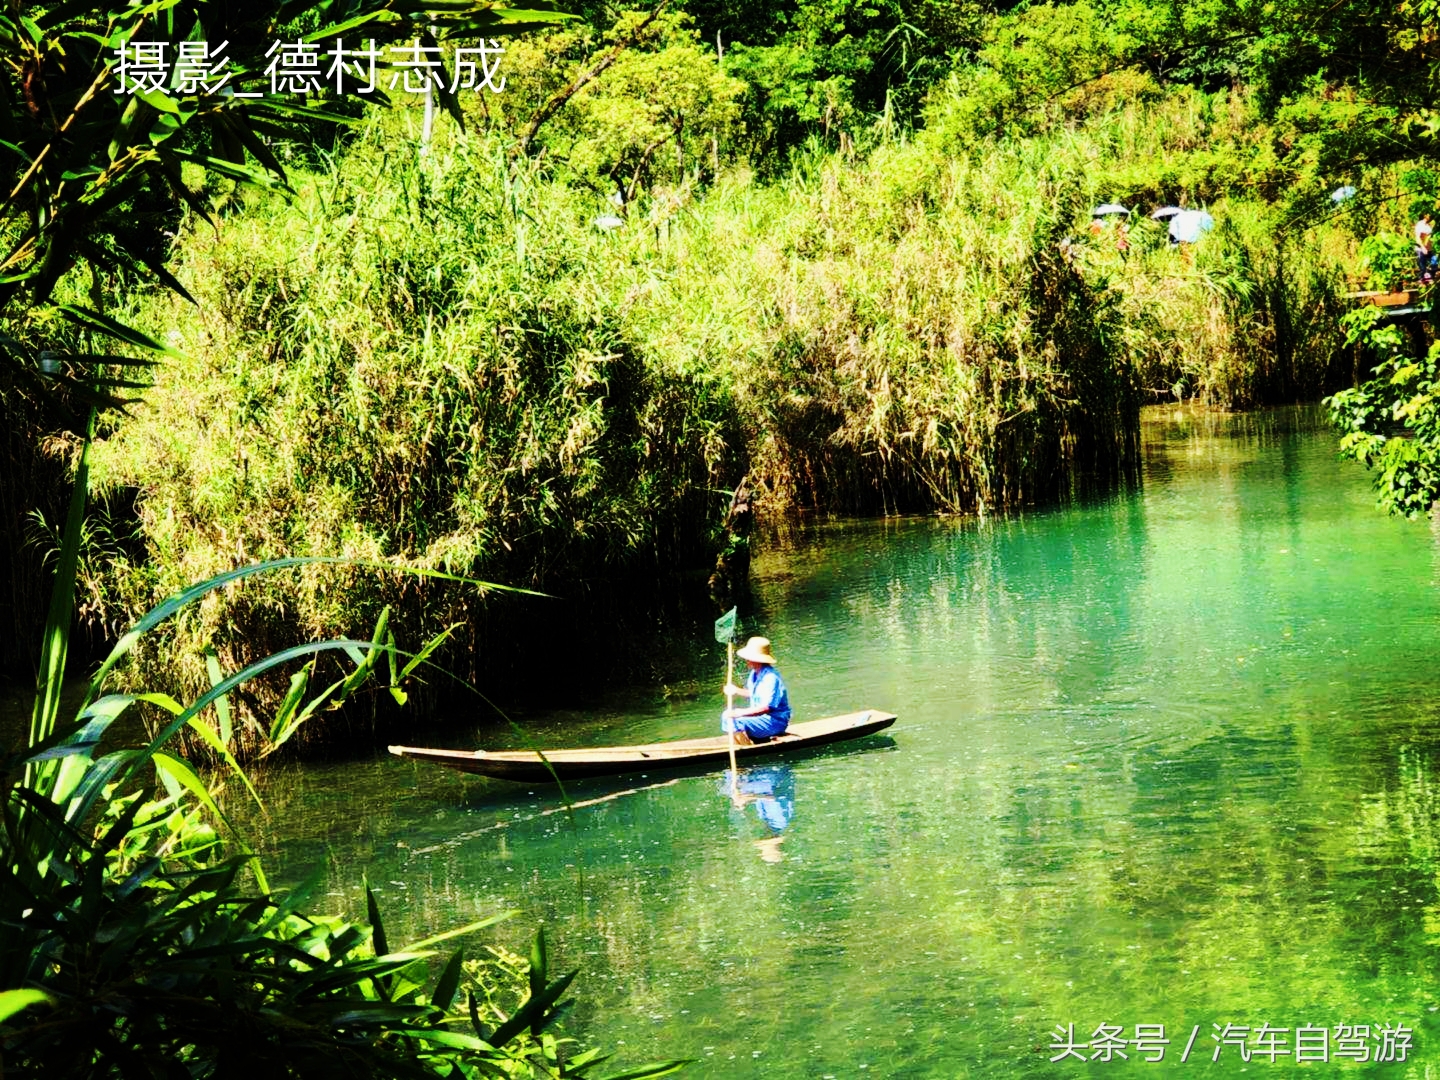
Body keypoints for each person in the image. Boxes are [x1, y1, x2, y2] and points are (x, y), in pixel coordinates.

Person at [721, 636, 791, 744]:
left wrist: (740, 712)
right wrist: (736, 690)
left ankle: (746, 748)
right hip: (761, 719)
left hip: (774, 722)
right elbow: (754, 694)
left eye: (749, 658)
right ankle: (744, 742)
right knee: (727, 716)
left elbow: (767, 708)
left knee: (733, 720)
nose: (746, 660)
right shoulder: (755, 674)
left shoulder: (771, 678)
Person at [1416, 214, 1437, 282]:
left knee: (1434, 261)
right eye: (1428, 214)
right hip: (1421, 248)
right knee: (1423, 266)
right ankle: (1422, 279)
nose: (1430, 216)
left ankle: (1431, 277)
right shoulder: (1420, 225)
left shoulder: (1427, 225)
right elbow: (1417, 238)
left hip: (1429, 248)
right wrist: (1423, 247)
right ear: (1424, 216)